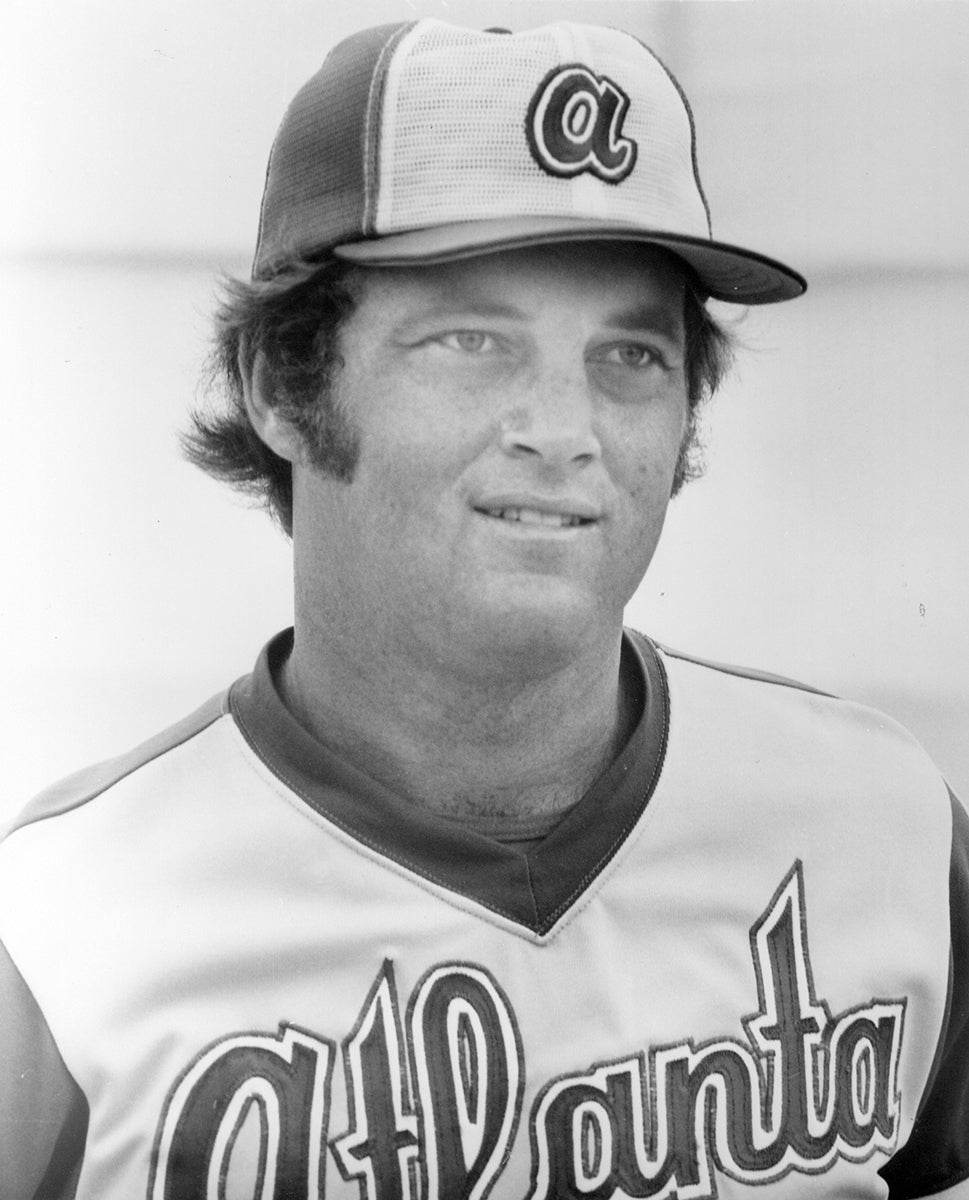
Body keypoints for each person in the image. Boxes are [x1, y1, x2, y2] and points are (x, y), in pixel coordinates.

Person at [1, 17, 966, 1199]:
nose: (563, 432)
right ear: (280, 390)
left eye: (631, 358)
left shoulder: (886, 821)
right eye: (469, 341)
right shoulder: (57, 932)